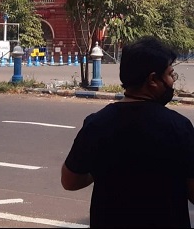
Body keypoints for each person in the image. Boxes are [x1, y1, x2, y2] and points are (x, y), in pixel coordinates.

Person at [61, 36, 194, 228]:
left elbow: (70, 181)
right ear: (153, 80)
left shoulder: (97, 124)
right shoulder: (179, 127)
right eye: (170, 74)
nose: (172, 81)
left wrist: (101, 169)